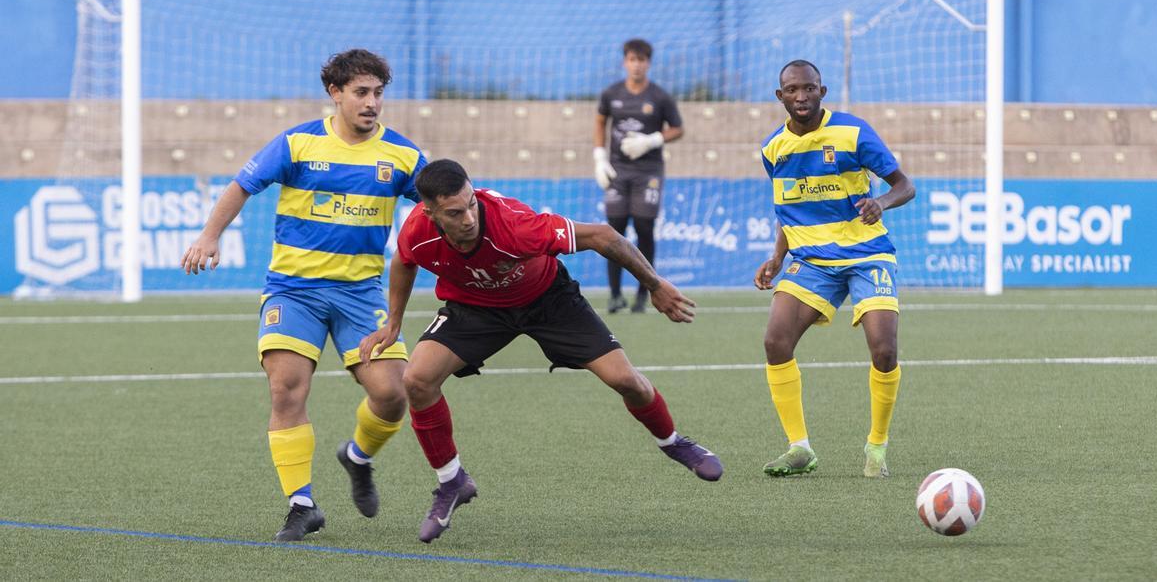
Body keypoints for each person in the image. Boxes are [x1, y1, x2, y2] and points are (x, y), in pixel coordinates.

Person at [359, 158, 723, 544]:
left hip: (547, 301)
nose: (468, 217)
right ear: (429, 211)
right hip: (475, 308)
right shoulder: (417, 229)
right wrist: (394, 321)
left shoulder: (513, 225)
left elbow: (603, 236)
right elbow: (403, 262)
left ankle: (673, 442)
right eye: (454, 211)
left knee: (626, 380)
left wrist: (654, 284)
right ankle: (452, 482)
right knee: (416, 381)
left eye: (471, 204)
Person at [181, 49, 428, 541]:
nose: (372, 103)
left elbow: (446, 202)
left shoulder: (402, 156)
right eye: (361, 92)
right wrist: (210, 234)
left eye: (378, 93)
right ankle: (302, 504)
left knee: (392, 393)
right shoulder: (297, 143)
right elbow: (243, 184)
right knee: (286, 387)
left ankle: (358, 458)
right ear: (335, 94)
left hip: (361, 294)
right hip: (294, 290)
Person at [754, 60, 915, 480]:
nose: (801, 97)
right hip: (811, 261)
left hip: (866, 254)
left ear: (823, 92)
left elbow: (905, 185)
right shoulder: (773, 149)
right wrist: (777, 257)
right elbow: (788, 209)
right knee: (775, 340)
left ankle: (876, 447)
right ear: (780, 96)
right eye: (792, 90)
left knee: (884, 349)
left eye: (809, 89)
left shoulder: (853, 133)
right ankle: (799, 448)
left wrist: (882, 202)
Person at [593, 38, 684, 314]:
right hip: (618, 171)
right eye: (632, 60)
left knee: (644, 228)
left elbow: (677, 129)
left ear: (648, 63)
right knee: (613, 230)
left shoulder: (659, 97)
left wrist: (652, 140)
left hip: (648, 172)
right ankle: (615, 295)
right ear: (625, 62)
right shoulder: (611, 94)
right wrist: (599, 157)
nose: (636, 65)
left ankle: (645, 294)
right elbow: (600, 120)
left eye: (641, 60)